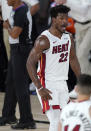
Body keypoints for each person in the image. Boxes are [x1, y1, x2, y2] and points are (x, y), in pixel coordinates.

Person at [26, 5, 81, 131]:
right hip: (47, 83)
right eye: (61, 18)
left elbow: (72, 59)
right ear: (53, 19)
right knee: (55, 120)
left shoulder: (68, 37)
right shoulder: (44, 40)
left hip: (62, 82)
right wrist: (39, 87)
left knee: (66, 119)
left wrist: (80, 79)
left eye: (66, 19)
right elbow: (29, 63)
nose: (65, 22)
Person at [0, 0, 36, 129]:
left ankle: (27, 120)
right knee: (10, 83)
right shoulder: (16, 10)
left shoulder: (21, 11)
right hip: (16, 49)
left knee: (21, 87)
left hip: (21, 50)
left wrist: (7, 26)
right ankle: (8, 115)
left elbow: (15, 33)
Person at [63, 0, 91, 99]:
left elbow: (83, 10)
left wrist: (65, 2)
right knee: (77, 58)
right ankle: (81, 86)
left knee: (82, 55)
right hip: (79, 25)